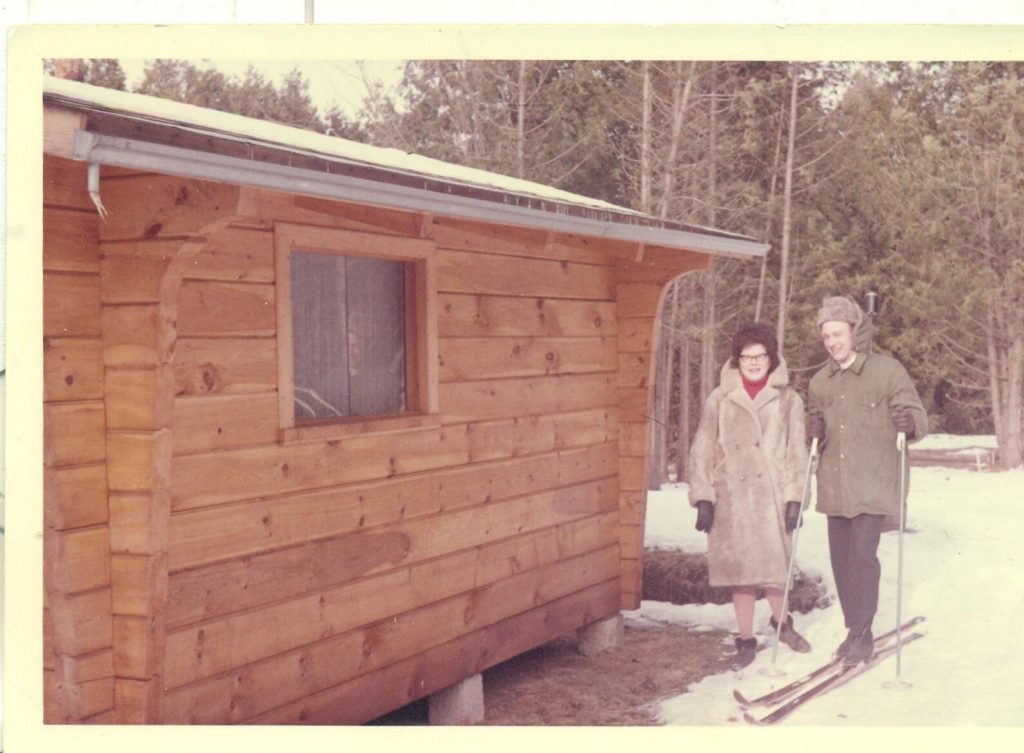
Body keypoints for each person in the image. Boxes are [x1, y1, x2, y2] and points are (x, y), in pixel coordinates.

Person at [806, 296, 928, 666]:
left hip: (873, 484)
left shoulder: (887, 371)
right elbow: (819, 435)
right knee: (842, 563)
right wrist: (812, 430)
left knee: (861, 559)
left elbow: (917, 416)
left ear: (854, 332)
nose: (832, 342)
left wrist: (910, 424)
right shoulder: (819, 381)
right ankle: (854, 627)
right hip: (835, 487)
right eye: (826, 335)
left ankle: (863, 632)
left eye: (838, 334)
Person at [689, 322, 812, 670]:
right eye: (747, 357)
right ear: (737, 359)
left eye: (760, 356)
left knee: (774, 570)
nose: (754, 363)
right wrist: (703, 498)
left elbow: (796, 452)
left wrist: (794, 498)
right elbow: (703, 448)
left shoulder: (789, 400)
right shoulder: (720, 397)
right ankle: (745, 640)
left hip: (770, 496)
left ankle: (782, 625)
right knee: (740, 573)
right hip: (732, 497)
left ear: (771, 359)